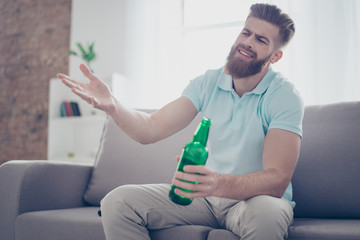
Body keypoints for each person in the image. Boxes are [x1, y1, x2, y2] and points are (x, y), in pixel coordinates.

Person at [57, 3, 303, 240]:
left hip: (253, 201)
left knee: (268, 214)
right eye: (246, 33)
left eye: (261, 40)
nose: (247, 42)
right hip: (204, 199)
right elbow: (150, 128)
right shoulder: (207, 82)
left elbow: (277, 180)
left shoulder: (283, 96)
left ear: (276, 56)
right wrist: (114, 106)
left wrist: (217, 183)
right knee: (117, 201)